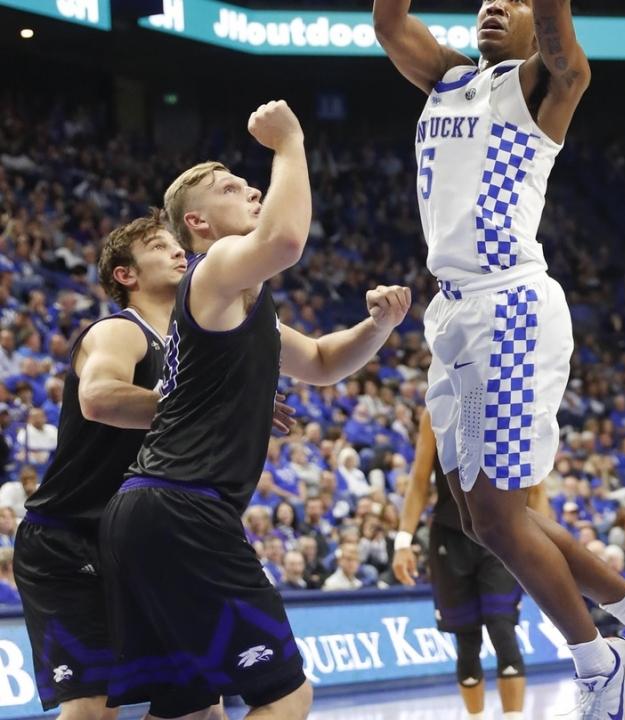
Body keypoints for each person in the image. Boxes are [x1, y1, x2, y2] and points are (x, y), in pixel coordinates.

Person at [373, 0, 625, 716]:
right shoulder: (448, 78)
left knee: (495, 513)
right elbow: (389, 23)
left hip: (508, 306)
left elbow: (561, 46)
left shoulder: (546, 84)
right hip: (454, 312)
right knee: (480, 515)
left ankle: (598, 658)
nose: (492, 5)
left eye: (512, 0)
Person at [97, 101, 410, 720]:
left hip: (150, 513)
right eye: (231, 188)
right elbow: (286, 240)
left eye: (248, 184)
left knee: (191, 708)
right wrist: (290, 141)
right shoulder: (212, 270)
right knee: (287, 695)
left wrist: (379, 325)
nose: (254, 191)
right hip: (182, 507)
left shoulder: (241, 305)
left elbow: (322, 361)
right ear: (197, 223)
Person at [13, 213, 184, 719]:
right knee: (92, 707)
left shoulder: (193, 345)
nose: (178, 251)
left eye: (178, 244)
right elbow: (99, 397)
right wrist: (200, 404)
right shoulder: (119, 331)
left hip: (138, 541)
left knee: (195, 702)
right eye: (159, 246)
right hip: (68, 536)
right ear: (126, 275)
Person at [393, 410, 538, 720]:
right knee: (466, 639)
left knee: (503, 629)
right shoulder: (437, 408)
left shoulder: (511, 401)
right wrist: (403, 541)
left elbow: (536, 485)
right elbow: (419, 479)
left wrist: (540, 548)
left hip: (500, 534)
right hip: (451, 532)